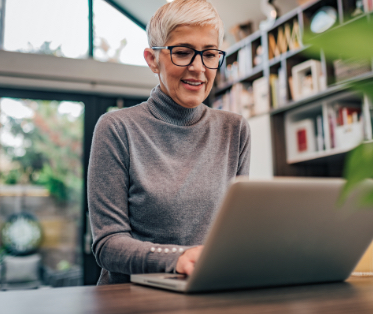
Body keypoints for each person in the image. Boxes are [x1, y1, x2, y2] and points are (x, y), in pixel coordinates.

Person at [88, 0, 251, 285]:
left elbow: (236, 231)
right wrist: (178, 259)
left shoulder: (234, 129)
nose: (199, 68)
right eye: (183, 52)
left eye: (210, 54)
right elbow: (108, 244)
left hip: (209, 291)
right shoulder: (116, 128)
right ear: (152, 60)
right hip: (131, 298)